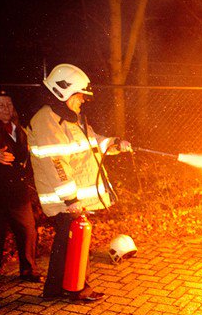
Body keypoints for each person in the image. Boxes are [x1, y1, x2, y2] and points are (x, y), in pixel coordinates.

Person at [27, 63, 131, 302]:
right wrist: (70, 199)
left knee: (66, 245)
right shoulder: (47, 121)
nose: (83, 100)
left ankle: (56, 290)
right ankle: (76, 289)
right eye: (79, 95)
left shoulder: (70, 119)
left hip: (72, 199)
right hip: (65, 200)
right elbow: (56, 164)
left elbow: (93, 142)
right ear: (63, 91)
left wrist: (115, 143)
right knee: (73, 244)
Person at [0, 89, 42, 312]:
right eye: (1, 105)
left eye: (9, 104)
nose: (7, 109)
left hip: (17, 194)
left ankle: (28, 270)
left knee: (29, 232)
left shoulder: (19, 128)